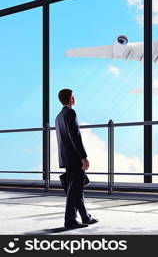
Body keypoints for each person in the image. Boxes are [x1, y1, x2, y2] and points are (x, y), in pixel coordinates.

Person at [55, 89, 98, 229]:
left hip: (66, 158)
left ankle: (85, 217)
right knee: (74, 191)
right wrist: (83, 157)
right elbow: (75, 137)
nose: (74, 99)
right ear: (70, 99)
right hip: (74, 158)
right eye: (73, 96)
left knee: (76, 188)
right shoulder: (70, 113)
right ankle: (70, 221)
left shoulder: (58, 116)